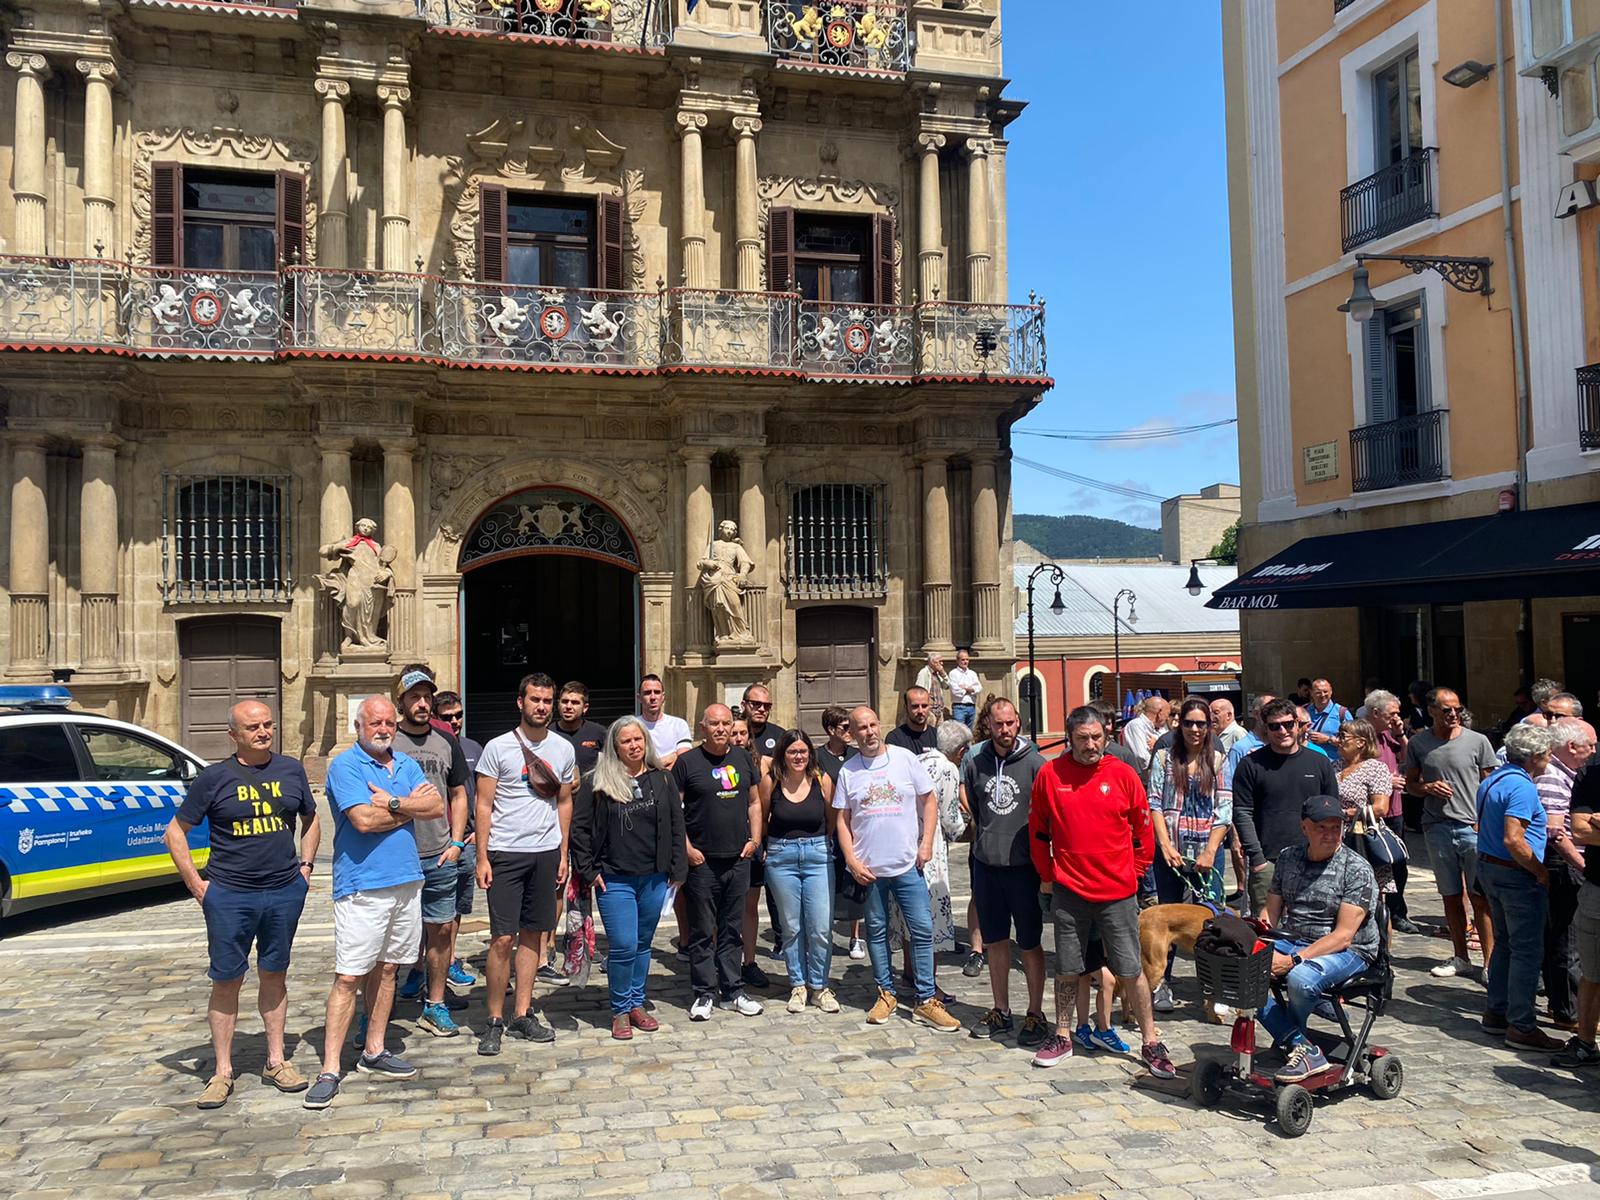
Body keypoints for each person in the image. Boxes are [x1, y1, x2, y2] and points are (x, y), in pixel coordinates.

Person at [162, 700, 319, 1108]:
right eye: (253, 727)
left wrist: (305, 867)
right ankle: (222, 1071)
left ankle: (276, 1060)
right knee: (227, 979)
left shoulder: (291, 769)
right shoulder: (214, 778)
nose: (263, 731)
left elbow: (311, 818)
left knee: (275, 973)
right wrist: (198, 885)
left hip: (283, 890)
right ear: (234, 734)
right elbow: (174, 833)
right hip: (230, 893)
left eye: (268, 724)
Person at [306, 696, 442, 1109]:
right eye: (375, 722)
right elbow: (363, 821)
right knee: (349, 976)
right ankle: (330, 1068)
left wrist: (394, 803)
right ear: (358, 725)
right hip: (363, 886)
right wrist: (408, 809)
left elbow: (435, 806)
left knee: (388, 971)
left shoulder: (404, 764)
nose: (384, 728)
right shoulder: (345, 766)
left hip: (406, 880)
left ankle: (374, 1049)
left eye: (388, 722)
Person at [1027, 706, 1173, 1075]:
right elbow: (1038, 830)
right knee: (1068, 968)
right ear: (1070, 737)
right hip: (1069, 891)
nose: (1090, 745)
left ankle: (1150, 1041)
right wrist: (1047, 873)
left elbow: (1142, 831)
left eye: (1096, 737)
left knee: (1130, 969)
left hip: (1118, 893)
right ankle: (1062, 1034)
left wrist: (1136, 872)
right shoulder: (1050, 774)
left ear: (1106, 736)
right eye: (1082, 738)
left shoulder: (1123, 774)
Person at [835, 705, 961, 1031]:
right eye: (861, 728)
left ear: (881, 725)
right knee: (876, 932)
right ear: (852, 733)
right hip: (871, 870)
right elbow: (842, 819)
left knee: (921, 930)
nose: (869, 732)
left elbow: (929, 800)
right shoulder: (849, 771)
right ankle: (886, 993)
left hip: (907, 865)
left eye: (873, 725)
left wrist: (926, 842)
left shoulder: (906, 759)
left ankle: (925, 999)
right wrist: (850, 859)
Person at [473, 673, 578, 1055]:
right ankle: (494, 1019)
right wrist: (482, 856)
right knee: (503, 938)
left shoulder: (563, 749)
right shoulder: (497, 748)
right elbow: (483, 804)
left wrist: (563, 853)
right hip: (504, 852)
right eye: (535, 699)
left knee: (534, 934)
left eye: (547, 701)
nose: (542, 707)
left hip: (546, 851)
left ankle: (522, 1012)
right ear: (520, 702)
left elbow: (564, 802)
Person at [569, 716, 686, 1040]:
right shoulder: (598, 781)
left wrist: (677, 869)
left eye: (638, 739)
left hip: (653, 876)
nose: (634, 745)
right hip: (614, 878)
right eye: (626, 741)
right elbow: (579, 829)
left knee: (643, 943)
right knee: (622, 945)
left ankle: (637, 1003)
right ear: (614, 746)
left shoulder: (662, 779)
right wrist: (588, 871)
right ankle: (620, 1009)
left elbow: (676, 824)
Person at [1258, 795, 1381, 1082]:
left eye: (1335, 827)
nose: (1329, 834)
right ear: (1305, 828)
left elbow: (1344, 936)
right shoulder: (1288, 857)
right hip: (1295, 938)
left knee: (1300, 978)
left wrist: (1291, 960)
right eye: (1321, 827)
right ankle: (1300, 1046)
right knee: (1242, 972)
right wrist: (1258, 941)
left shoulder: (1357, 869)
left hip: (1349, 950)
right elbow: (1271, 912)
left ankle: (1295, 1045)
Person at [388, 666, 473, 1038]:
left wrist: (456, 843)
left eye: (426, 697)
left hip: (439, 853)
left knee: (439, 932)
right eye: (414, 698)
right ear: (401, 702)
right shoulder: (388, 741)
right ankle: (377, 1011)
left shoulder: (445, 741)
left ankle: (434, 1004)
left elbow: (459, 792)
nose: (422, 704)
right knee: (390, 938)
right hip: (397, 856)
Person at [962, 699, 1049, 1047]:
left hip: (1024, 869)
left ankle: (1035, 1012)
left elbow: (1044, 817)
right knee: (995, 940)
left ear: (1019, 723)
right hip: (987, 866)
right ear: (989, 725)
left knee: (1029, 942)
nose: (1006, 730)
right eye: (999, 724)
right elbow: (974, 804)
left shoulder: (1037, 764)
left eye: (1011, 723)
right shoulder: (976, 761)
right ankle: (1001, 1009)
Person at [1477, 724, 1563, 1052]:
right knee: (1526, 950)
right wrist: (1539, 871)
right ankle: (1522, 1024)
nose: (1549, 759)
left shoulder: (1493, 780)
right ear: (1534, 756)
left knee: (1506, 945)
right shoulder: (1522, 788)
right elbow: (1514, 838)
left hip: (1491, 870)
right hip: (1515, 875)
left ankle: (1496, 1012)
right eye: (1546, 754)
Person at [675, 703, 764, 1020]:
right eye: (714, 724)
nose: (721, 729)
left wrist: (754, 840)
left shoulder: (742, 758)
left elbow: (754, 802)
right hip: (702, 862)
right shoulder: (687, 763)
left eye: (727, 723)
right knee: (702, 930)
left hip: (738, 859)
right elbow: (675, 813)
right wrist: (687, 849)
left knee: (731, 928)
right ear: (702, 728)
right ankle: (703, 993)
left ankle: (733, 990)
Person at [1406, 686, 1498, 980]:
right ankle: (1461, 956)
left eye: (1458, 709)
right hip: (1438, 827)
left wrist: (1485, 822)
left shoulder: (1478, 741)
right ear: (1431, 711)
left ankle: (1490, 962)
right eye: (1447, 710)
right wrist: (1427, 787)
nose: (1454, 715)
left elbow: (1491, 785)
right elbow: (1411, 784)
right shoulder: (1419, 744)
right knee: (1450, 896)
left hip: (1473, 827)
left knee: (1480, 897)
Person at [1231, 698, 1339, 917]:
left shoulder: (1319, 762)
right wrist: (1258, 859)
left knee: (1316, 926)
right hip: (1269, 860)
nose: (1283, 731)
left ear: (1298, 724)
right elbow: (1242, 812)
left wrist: (1332, 851)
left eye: (1288, 724)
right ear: (1265, 728)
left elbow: (1333, 812)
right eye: (1274, 726)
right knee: (1267, 932)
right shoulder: (1250, 765)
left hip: (1316, 859)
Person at [759, 729, 840, 1013]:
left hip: (818, 855)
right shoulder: (772, 781)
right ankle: (797, 985)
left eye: (803, 751)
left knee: (819, 927)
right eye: (792, 751)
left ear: (810, 753)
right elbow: (764, 815)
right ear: (783, 754)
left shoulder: (822, 780)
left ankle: (819, 986)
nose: (798, 756)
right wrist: (766, 846)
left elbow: (831, 820)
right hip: (782, 856)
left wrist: (820, 843)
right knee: (791, 926)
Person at [1538, 717, 1595, 1034]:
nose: (1594, 751)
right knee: (1568, 941)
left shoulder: (1565, 773)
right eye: (1591, 745)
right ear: (1572, 746)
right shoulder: (1553, 777)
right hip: (1564, 866)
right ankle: (1569, 1012)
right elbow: (1556, 832)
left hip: (1566, 864)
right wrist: (1583, 866)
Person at [553, 680, 608, 988]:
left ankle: (588, 941)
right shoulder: (548, 734)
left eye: (575, 702)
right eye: (564, 701)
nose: (568, 706)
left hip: (591, 821)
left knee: (590, 880)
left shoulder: (599, 735)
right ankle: (549, 946)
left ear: (585, 706)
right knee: (555, 884)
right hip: (554, 821)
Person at [431, 691, 484, 988]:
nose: (455, 721)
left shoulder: (473, 747)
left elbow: (485, 793)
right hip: (434, 840)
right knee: (431, 909)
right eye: (448, 717)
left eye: (459, 715)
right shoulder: (429, 747)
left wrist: (480, 833)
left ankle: (449, 961)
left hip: (466, 840)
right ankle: (419, 968)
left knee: (457, 907)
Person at [740, 683, 788, 989]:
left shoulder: (779, 735)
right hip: (734, 830)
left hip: (770, 825)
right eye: (756, 704)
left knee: (772, 889)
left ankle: (780, 937)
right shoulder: (733, 731)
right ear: (744, 704)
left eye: (766, 705)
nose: (761, 709)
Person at [1556, 749, 1600, 1068]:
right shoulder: (1593, 775)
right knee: (1593, 972)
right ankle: (1585, 1042)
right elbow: (1582, 830)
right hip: (1598, 889)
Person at [816, 705, 868, 961]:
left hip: (853, 829)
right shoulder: (817, 758)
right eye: (845, 728)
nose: (850, 732)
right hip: (828, 830)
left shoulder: (856, 756)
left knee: (854, 882)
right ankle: (823, 934)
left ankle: (855, 936)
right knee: (828, 883)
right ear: (830, 730)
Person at [1363, 690, 1418, 932]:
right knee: (1372, 864)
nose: (1397, 717)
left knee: (1398, 863)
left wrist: (1400, 734)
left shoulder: (1389, 735)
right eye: (1392, 713)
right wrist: (1386, 782)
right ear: (1376, 713)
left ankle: (1398, 912)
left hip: (1394, 810)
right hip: (1370, 812)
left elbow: (1407, 758)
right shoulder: (1361, 735)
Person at [1334, 718, 1397, 911]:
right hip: (1337, 838)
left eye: (1343, 736)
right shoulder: (1333, 767)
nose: (1338, 740)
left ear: (1361, 742)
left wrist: (1344, 813)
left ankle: (1379, 940)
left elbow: (1380, 808)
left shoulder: (1375, 768)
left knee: (1372, 902)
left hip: (1364, 838)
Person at [638, 674, 693, 767]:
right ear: (639, 698)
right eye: (647, 693)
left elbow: (683, 758)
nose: (653, 697)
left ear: (663, 697)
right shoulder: (633, 726)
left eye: (657, 692)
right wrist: (672, 757)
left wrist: (652, 767)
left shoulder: (679, 724)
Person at [1121, 696, 1170, 781]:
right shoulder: (1136, 725)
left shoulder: (1162, 728)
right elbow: (1142, 757)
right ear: (1160, 713)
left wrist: (1156, 745)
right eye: (1168, 714)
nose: (1168, 718)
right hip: (1142, 781)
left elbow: (1170, 748)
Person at [1304, 678, 1350, 759]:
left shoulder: (1342, 713)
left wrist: (1328, 740)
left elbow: (1352, 741)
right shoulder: (1304, 711)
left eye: (1325, 691)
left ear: (1331, 692)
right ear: (1311, 693)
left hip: (1333, 764)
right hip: (1308, 762)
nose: (1322, 695)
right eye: (1318, 692)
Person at [886, 686, 939, 754]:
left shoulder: (938, 737)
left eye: (924, 706)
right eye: (915, 706)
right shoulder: (895, 739)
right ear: (906, 707)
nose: (920, 711)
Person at [949, 648, 981, 729]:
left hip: (971, 707)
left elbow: (979, 688)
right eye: (963, 660)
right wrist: (970, 689)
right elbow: (955, 691)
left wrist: (965, 688)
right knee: (959, 733)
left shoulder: (972, 673)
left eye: (967, 659)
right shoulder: (953, 673)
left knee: (969, 734)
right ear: (957, 660)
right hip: (959, 707)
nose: (965, 662)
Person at [915, 652, 949, 724]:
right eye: (940, 661)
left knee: (939, 734)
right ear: (933, 662)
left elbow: (947, 686)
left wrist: (943, 674)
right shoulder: (924, 673)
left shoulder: (938, 673)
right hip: (930, 710)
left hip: (939, 710)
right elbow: (919, 690)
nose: (942, 663)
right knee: (929, 733)